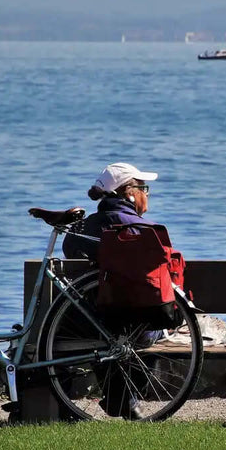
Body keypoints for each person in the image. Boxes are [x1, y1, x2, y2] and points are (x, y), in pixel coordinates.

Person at [63, 162, 160, 420]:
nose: (147, 193)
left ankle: (121, 400)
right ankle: (124, 399)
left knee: (108, 325)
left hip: (86, 322)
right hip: (132, 326)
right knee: (151, 328)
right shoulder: (145, 231)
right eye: (143, 187)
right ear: (129, 192)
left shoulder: (78, 230)